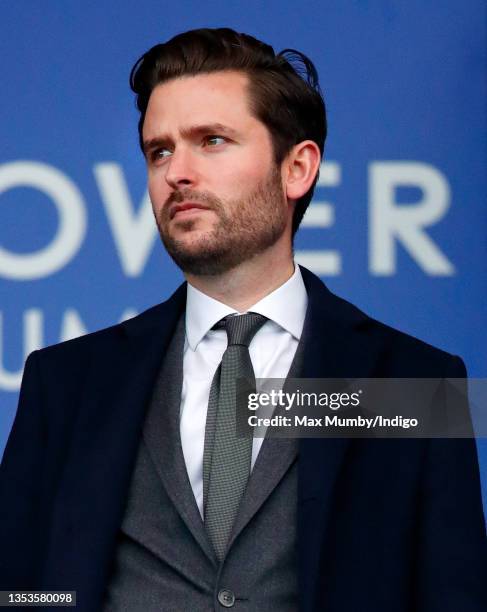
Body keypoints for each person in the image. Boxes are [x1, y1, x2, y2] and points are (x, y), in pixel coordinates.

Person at [0, 28, 486, 612]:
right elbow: (21, 591)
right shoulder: (68, 381)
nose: (177, 172)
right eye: (159, 151)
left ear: (297, 169)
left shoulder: (417, 383)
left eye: (212, 140)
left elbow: (452, 595)